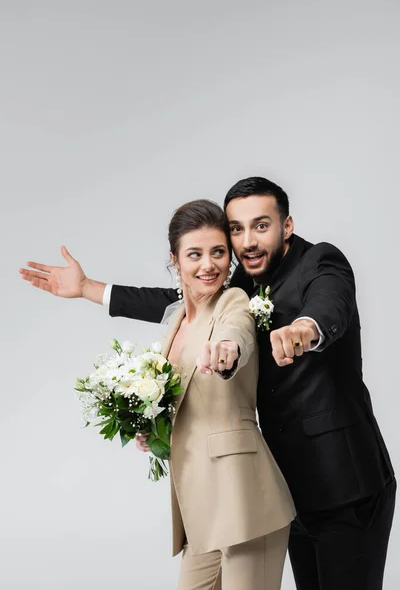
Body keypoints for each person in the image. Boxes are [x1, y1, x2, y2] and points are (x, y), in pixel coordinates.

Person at [20, 177, 396, 590]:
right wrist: (88, 289)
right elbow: (181, 300)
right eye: (236, 229)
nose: (248, 241)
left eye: (261, 225)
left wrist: (304, 329)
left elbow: (330, 303)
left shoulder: (320, 261)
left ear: (286, 226)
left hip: (345, 484)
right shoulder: (241, 284)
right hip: (286, 485)